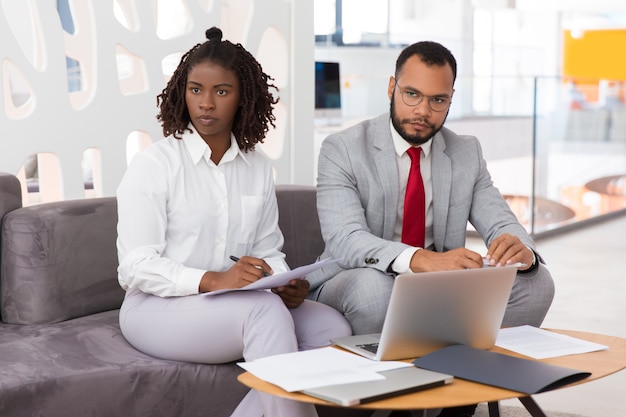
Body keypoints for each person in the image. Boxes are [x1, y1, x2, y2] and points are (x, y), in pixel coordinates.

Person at [306, 41, 555, 417]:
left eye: (438, 100)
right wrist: (421, 260)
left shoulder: (465, 151)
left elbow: (500, 219)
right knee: (377, 291)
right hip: (357, 277)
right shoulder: (342, 148)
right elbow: (346, 240)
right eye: (411, 95)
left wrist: (519, 249)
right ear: (391, 87)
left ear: (451, 99)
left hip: (440, 286)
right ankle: (397, 404)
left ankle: (459, 391)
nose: (423, 111)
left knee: (537, 284)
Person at [116, 27, 351, 417]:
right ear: (182, 92)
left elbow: (267, 251)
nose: (206, 103)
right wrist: (215, 279)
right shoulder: (154, 165)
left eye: (221, 91)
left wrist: (281, 282)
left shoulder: (257, 167)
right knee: (264, 314)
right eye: (195, 90)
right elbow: (135, 267)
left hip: (232, 304)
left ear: (243, 98)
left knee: (332, 329)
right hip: (155, 309)